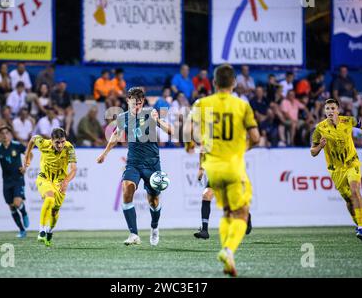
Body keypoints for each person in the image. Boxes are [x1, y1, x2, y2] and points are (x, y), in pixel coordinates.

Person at [185, 64, 260, 277]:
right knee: (242, 212)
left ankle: (227, 254)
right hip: (234, 165)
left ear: (214, 83)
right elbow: (255, 138)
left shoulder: (202, 103)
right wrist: (241, 149)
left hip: (213, 167)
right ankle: (228, 250)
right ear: (234, 83)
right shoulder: (242, 105)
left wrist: (189, 145)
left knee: (227, 211)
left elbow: (188, 131)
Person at [96, 87, 173, 246]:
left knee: (153, 200)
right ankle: (133, 234)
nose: (136, 106)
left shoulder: (151, 113)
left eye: (139, 103)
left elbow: (171, 131)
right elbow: (116, 136)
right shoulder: (123, 118)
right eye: (133, 103)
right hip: (134, 163)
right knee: (127, 189)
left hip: (152, 163)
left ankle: (154, 227)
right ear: (128, 101)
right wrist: (105, 153)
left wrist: (157, 120)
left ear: (143, 102)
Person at [310, 99, 362, 242]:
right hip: (336, 170)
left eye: (332, 108)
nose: (330, 111)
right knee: (349, 199)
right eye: (327, 109)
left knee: (355, 191)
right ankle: (358, 224)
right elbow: (312, 152)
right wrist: (320, 146)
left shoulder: (349, 121)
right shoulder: (320, 128)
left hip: (351, 163)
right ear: (324, 111)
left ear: (338, 110)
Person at [23, 128, 77, 246]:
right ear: (51, 140)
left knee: (54, 211)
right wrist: (27, 155)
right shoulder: (44, 143)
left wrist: (66, 181)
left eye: (62, 141)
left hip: (60, 181)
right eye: (57, 142)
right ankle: (41, 231)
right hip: (45, 178)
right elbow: (33, 139)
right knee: (49, 198)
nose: (60, 145)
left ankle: (49, 232)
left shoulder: (69, 148)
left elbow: (74, 169)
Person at [0, 126, 30, 238]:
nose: (4, 135)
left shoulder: (17, 145)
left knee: (17, 203)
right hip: (6, 182)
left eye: (7, 133)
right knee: (12, 207)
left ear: (10, 135)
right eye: (2, 133)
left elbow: (29, 154)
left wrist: (25, 167)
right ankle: (22, 230)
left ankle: (24, 213)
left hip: (18, 179)